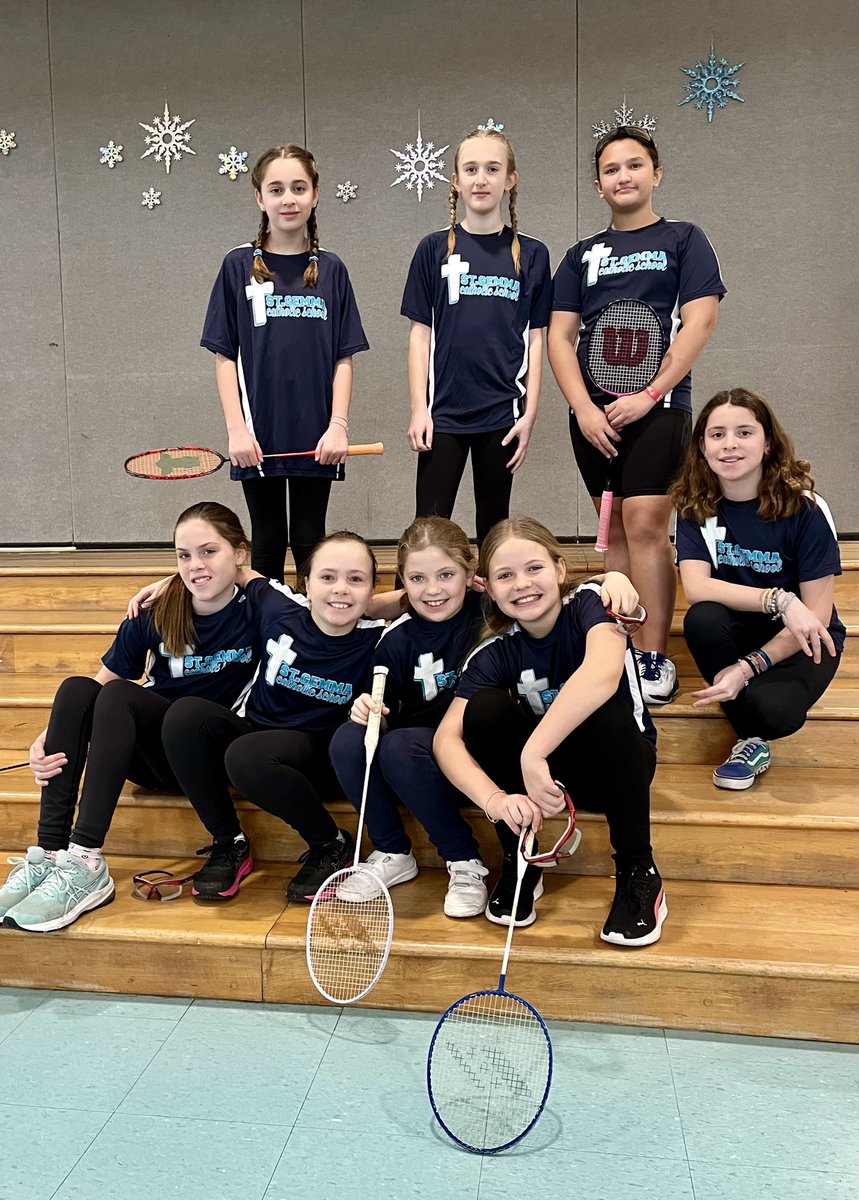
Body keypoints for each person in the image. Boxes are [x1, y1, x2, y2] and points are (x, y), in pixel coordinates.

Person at [0, 503, 259, 932]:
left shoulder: (258, 608)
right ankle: (50, 854)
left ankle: (85, 858)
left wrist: (216, 575)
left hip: (212, 753)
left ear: (240, 553)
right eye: (183, 556)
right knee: (77, 688)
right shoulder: (157, 611)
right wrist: (49, 737)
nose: (195, 566)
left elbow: (315, 606)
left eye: (209, 552)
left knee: (124, 696)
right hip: (155, 756)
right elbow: (103, 680)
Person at [548, 124, 725, 705]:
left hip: (659, 408)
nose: (623, 176)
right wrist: (583, 409)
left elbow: (699, 323)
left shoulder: (684, 239)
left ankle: (653, 656)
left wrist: (648, 396)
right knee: (617, 528)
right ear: (598, 185)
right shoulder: (580, 256)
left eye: (634, 165)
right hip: (594, 419)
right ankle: (617, 653)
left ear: (656, 173)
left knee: (648, 524)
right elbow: (561, 338)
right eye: (611, 169)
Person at [433, 517, 667, 947]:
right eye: (505, 575)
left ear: (559, 570)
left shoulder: (591, 604)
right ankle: (523, 856)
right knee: (483, 710)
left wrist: (531, 754)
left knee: (604, 709)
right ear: (486, 585)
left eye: (534, 568)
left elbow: (602, 673)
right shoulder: (493, 651)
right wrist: (496, 801)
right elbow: (445, 740)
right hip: (545, 784)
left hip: (618, 766)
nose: (521, 584)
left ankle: (638, 868)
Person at [160, 532, 387, 904]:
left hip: (318, 752)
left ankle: (330, 844)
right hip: (257, 732)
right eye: (328, 577)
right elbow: (237, 571)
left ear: (372, 590)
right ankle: (228, 843)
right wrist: (167, 586)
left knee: (247, 755)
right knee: (185, 714)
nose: (341, 590)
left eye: (356, 579)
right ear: (306, 584)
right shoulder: (277, 607)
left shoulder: (381, 639)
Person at [202, 144, 369, 582]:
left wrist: (339, 425)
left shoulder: (332, 270)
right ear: (260, 198)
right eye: (276, 189)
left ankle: (315, 639)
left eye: (298, 188)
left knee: (312, 538)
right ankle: (268, 639)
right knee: (269, 537)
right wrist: (237, 430)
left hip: (318, 435)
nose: (288, 199)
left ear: (315, 195)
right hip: (259, 435)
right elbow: (224, 357)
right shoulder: (237, 266)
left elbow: (343, 359)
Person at [671, 387, 844, 790]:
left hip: (804, 639)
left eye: (744, 433)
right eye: (717, 435)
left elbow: (815, 617)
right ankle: (750, 742)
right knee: (702, 618)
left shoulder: (806, 509)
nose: (729, 445)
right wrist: (780, 600)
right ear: (702, 446)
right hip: (742, 627)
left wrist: (748, 667)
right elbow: (696, 587)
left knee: (775, 711)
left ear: (768, 443)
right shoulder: (696, 504)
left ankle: (754, 726)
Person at [328, 518, 490, 917]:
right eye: (418, 578)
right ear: (402, 581)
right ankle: (392, 851)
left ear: (471, 573)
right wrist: (368, 712)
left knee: (407, 743)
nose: (432, 590)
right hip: (419, 772)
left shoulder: (492, 610)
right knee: (351, 738)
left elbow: (559, 591)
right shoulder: (395, 639)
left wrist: (611, 580)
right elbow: (386, 715)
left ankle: (465, 861)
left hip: (484, 761)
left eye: (446, 575)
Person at [402, 127, 551, 545]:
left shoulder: (533, 254)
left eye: (492, 169)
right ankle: (409, 609)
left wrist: (530, 414)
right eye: (471, 169)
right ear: (455, 181)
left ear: (510, 179)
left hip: (501, 415)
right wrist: (419, 409)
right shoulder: (433, 250)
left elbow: (536, 339)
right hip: (443, 413)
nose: (481, 179)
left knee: (494, 528)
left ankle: (494, 611)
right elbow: (420, 335)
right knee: (427, 529)